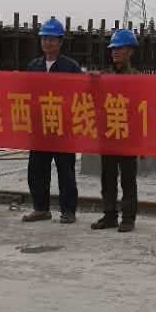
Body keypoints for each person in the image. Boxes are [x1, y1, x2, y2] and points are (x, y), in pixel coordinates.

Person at [22, 17, 82, 224]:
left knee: (66, 171)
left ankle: (68, 211)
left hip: (63, 129)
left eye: (52, 39)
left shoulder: (71, 67)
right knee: (37, 170)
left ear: (60, 42)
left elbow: (79, 94)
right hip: (40, 128)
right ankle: (41, 208)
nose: (47, 42)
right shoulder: (33, 66)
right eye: (44, 38)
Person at [90, 28, 140, 233]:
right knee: (108, 178)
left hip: (128, 136)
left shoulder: (137, 78)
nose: (116, 52)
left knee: (128, 179)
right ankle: (109, 215)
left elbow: (142, 108)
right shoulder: (103, 76)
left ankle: (128, 218)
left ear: (130, 51)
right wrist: (92, 83)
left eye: (121, 48)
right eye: (113, 49)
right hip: (109, 134)